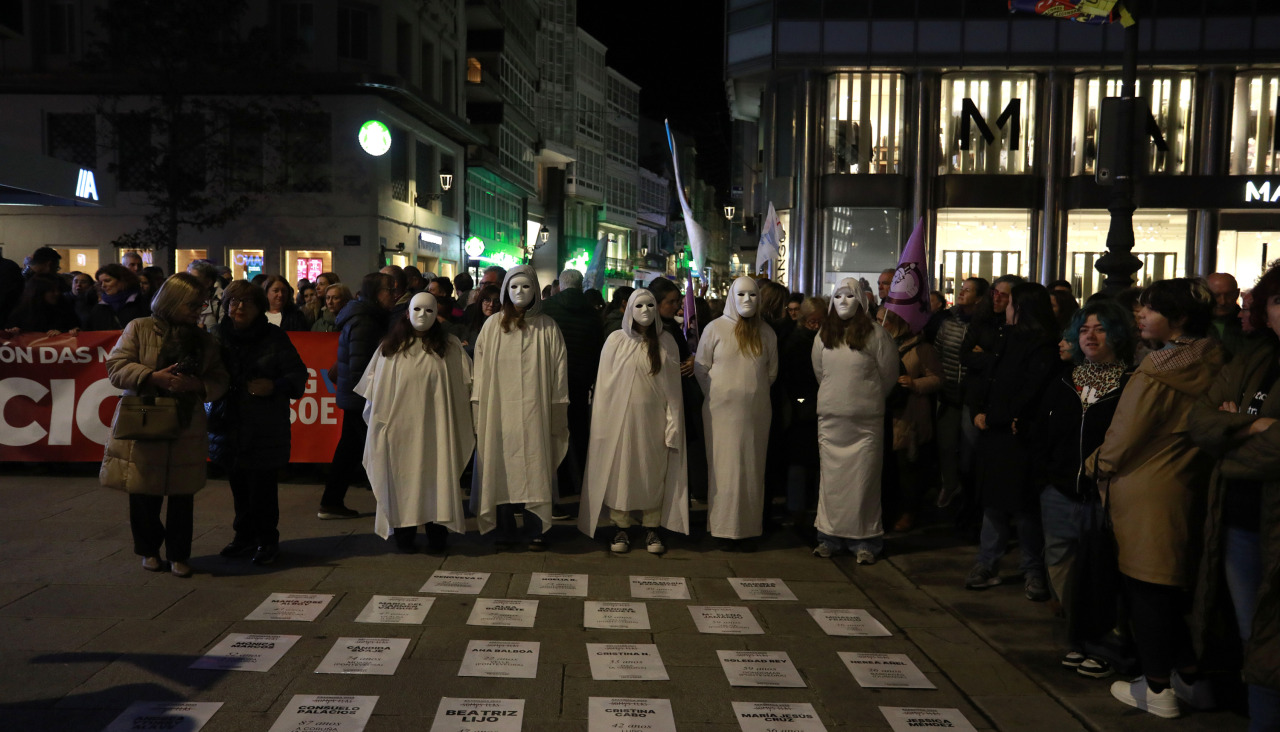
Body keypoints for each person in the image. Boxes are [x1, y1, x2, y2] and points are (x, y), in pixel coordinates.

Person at [1088, 278, 1222, 718]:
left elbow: (1124, 436)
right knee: (1164, 590)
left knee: (1146, 592)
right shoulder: (1214, 359)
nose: (1140, 315)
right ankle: (1190, 678)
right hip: (1185, 483)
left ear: (1179, 318)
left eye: (1151, 308)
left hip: (1145, 488)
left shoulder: (1158, 369)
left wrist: (1094, 465)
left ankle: (1158, 688)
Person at [1189, 263, 1280, 730]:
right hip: (1238, 520)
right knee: (1253, 637)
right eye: (1279, 301)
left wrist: (1234, 432)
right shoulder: (1254, 355)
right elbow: (1201, 422)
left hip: (1273, 520)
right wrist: (1252, 427)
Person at [100, 273, 229, 578]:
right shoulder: (139, 328)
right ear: (172, 300)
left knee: (182, 496)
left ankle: (179, 554)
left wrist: (197, 384)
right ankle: (148, 549)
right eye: (193, 304)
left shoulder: (203, 339)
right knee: (143, 492)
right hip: (145, 421)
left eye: (202, 303)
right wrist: (152, 376)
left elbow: (220, 379)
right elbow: (115, 367)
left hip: (185, 426)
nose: (200, 309)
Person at [1033, 299, 1136, 680]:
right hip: (1060, 492)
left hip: (1104, 494)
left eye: (1100, 328)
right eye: (1083, 329)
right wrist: (1046, 476)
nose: (1090, 336)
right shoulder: (1065, 379)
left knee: (1102, 573)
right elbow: (1043, 433)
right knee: (1061, 566)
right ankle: (1079, 639)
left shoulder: (1130, 383)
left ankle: (1103, 645)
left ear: (1118, 334)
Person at [356, 292, 475, 553]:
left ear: (437, 315)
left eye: (429, 311)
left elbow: (464, 388)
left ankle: (437, 535)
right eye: (417, 310)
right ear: (407, 313)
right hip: (400, 432)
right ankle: (404, 535)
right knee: (402, 480)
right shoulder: (390, 349)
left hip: (437, 432)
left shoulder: (451, 348)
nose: (422, 316)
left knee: (437, 479)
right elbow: (376, 394)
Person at [965, 283, 1060, 601]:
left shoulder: (1042, 346)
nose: (1004, 308)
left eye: (1010, 304)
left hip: (1020, 434)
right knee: (993, 502)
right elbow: (987, 377)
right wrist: (980, 410)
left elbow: (1031, 389)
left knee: (1025, 506)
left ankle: (1032, 569)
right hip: (995, 432)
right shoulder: (1005, 337)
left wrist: (1000, 417)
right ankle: (987, 562)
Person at [579, 288, 688, 554]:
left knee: (653, 473)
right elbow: (605, 387)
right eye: (640, 306)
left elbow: (673, 390)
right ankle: (621, 526)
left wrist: (672, 423)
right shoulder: (616, 341)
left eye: (651, 305)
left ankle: (652, 526)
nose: (646, 311)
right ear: (629, 308)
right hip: (622, 423)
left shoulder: (666, 342)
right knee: (623, 472)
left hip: (654, 423)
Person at [207, 281, 307, 566]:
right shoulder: (216, 336)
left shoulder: (273, 337)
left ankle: (267, 540)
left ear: (258, 307)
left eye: (246, 302)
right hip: (228, 422)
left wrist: (274, 385)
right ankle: (244, 537)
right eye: (233, 301)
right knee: (238, 485)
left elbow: (297, 376)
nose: (238, 307)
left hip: (264, 426)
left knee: (263, 488)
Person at [470, 265, 569, 551]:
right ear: (505, 291)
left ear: (536, 291)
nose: (520, 293)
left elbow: (559, 372)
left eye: (526, 287)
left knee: (535, 466)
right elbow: (480, 371)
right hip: (499, 411)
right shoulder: (492, 327)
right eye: (514, 287)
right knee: (500, 466)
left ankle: (535, 527)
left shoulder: (548, 327)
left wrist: (557, 407)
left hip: (536, 412)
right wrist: (479, 407)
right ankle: (503, 527)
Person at [811, 279, 898, 562]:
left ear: (861, 300)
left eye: (850, 296)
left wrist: (866, 400)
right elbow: (820, 372)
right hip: (832, 422)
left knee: (864, 483)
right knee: (832, 483)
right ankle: (828, 536)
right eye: (838, 296)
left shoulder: (877, 335)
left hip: (865, 425)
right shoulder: (824, 334)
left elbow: (888, 375)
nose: (844, 301)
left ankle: (866, 541)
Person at [695, 276, 778, 551]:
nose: (747, 300)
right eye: (741, 294)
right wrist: (719, 393)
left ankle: (748, 528)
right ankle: (721, 527)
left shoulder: (767, 333)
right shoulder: (715, 328)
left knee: (752, 468)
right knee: (722, 467)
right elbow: (701, 367)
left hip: (756, 414)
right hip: (720, 414)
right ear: (732, 295)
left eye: (753, 295)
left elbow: (771, 372)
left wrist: (750, 395)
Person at [320, 272, 395, 519]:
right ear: (375, 292)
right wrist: (371, 399)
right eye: (388, 290)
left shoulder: (365, 316)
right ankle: (392, 505)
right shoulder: (365, 321)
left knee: (349, 451)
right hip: (361, 400)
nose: (392, 295)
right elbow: (361, 367)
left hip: (356, 398)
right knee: (376, 452)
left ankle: (331, 502)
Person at [541, 269, 605, 510]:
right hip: (579, 381)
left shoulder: (548, 308)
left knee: (554, 431)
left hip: (552, 382)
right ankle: (581, 482)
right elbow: (597, 349)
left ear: (560, 286)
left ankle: (561, 482)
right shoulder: (591, 313)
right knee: (578, 431)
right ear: (581, 286)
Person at [878, 308, 943, 534]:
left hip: (909, 416)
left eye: (881, 320)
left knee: (908, 467)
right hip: (885, 414)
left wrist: (915, 384)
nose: (878, 325)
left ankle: (909, 511)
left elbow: (937, 378)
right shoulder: (879, 346)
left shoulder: (921, 348)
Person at [933, 277, 989, 509]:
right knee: (945, 444)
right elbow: (938, 350)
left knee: (969, 448)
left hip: (970, 395)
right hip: (947, 391)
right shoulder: (949, 321)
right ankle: (950, 484)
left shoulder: (985, 324)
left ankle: (969, 495)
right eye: (962, 289)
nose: (962, 293)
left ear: (979, 297)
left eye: (968, 290)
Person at [780, 296, 825, 529]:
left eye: (820, 321)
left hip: (817, 407)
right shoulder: (796, 342)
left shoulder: (823, 339)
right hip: (803, 410)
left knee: (818, 463)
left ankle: (816, 507)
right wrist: (803, 401)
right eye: (812, 322)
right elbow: (793, 379)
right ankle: (797, 509)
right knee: (799, 462)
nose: (816, 326)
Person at [4, 274, 80, 335]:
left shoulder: (64, 309)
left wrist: (63, 332)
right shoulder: (23, 311)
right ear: (39, 293)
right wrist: (14, 331)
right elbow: (9, 329)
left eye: (57, 290)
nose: (57, 293)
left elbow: (74, 327)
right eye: (52, 291)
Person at [83, 264, 150, 331]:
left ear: (122, 280)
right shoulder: (99, 307)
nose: (103, 285)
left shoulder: (142, 303)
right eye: (100, 282)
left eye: (107, 281)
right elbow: (89, 330)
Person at [1208, 272, 1247, 361]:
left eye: (1229, 295)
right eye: (1216, 296)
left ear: (1237, 294)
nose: (1223, 301)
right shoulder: (1194, 323)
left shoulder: (1248, 323)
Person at [459, 284, 500, 356]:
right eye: (487, 300)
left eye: (496, 301)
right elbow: (462, 346)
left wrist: (470, 348)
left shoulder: (502, 325)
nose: (491, 304)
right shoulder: (474, 323)